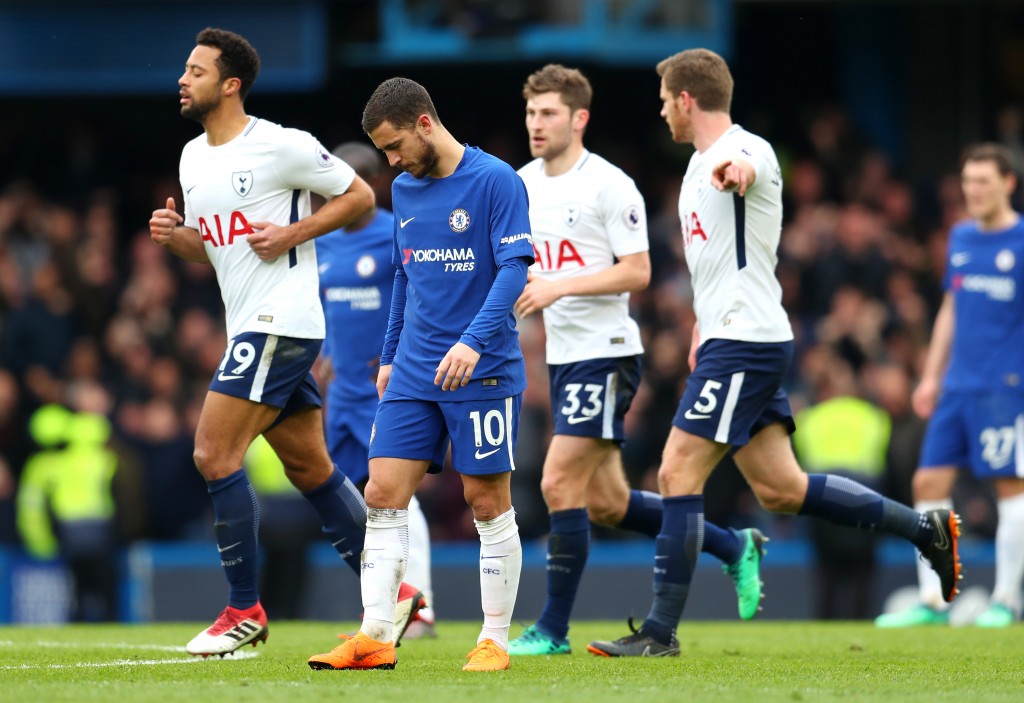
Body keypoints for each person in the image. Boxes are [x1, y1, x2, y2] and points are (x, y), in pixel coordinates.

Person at [587, 48, 963, 657]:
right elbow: (720, 266)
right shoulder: (691, 169)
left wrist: (736, 172)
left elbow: (748, 168)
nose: (661, 114)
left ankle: (659, 634)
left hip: (746, 341)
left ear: (687, 99)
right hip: (732, 336)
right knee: (781, 488)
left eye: (664, 102)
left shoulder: (745, 149)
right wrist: (698, 331)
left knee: (676, 472)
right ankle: (925, 530)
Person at [148, 28, 424, 657]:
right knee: (312, 468)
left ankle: (244, 609)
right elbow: (214, 252)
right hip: (252, 322)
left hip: (281, 322)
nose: (183, 79)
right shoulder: (194, 158)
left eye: (196, 71)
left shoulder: (281, 146)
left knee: (214, 455)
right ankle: (396, 594)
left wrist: (295, 233)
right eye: (184, 69)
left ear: (230, 84)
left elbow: (357, 196)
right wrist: (176, 236)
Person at [508, 64, 766, 657]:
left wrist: (557, 287)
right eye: (530, 113)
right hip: (563, 359)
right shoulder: (520, 183)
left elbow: (638, 272)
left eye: (548, 113)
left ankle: (551, 630)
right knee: (608, 503)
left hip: (607, 355)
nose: (536, 124)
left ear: (579, 119)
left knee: (556, 479)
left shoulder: (609, 185)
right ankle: (733, 547)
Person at [307, 77, 534, 673]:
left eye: (394, 145)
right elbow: (406, 276)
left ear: (424, 123)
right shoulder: (405, 189)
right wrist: (387, 355)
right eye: (382, 151)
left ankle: (494, 640)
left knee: (486, 501)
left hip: (480, 370)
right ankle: (375, 634)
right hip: (412, 370)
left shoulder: (496, 180)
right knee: (382, 494)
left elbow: (514, 269)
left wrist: (471, 343)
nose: (390, 161)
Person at [876, 143, 1024, 629]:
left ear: (1008, 183)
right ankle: (935, 600)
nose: (973, 191)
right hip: (956, 386)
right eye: (967, 182)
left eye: (983, 181)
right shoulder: (960, 238)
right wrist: (932, 374)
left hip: (1005, 386)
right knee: (928, 482)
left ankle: (1006, 599)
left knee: (1010, 487)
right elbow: (950, 309)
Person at [316, 141, 437, 636]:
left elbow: (426, 295)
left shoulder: (395, 233)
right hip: (340, 392)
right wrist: (322, 353)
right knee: (352, 502)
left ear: (368, 186)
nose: (333, 199)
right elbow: (322, 305)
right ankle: (382, 606)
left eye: (343, 188)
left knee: (398, 495)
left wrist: (400, 352)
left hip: (385, 387)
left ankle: (421, 610)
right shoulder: (322, 241)